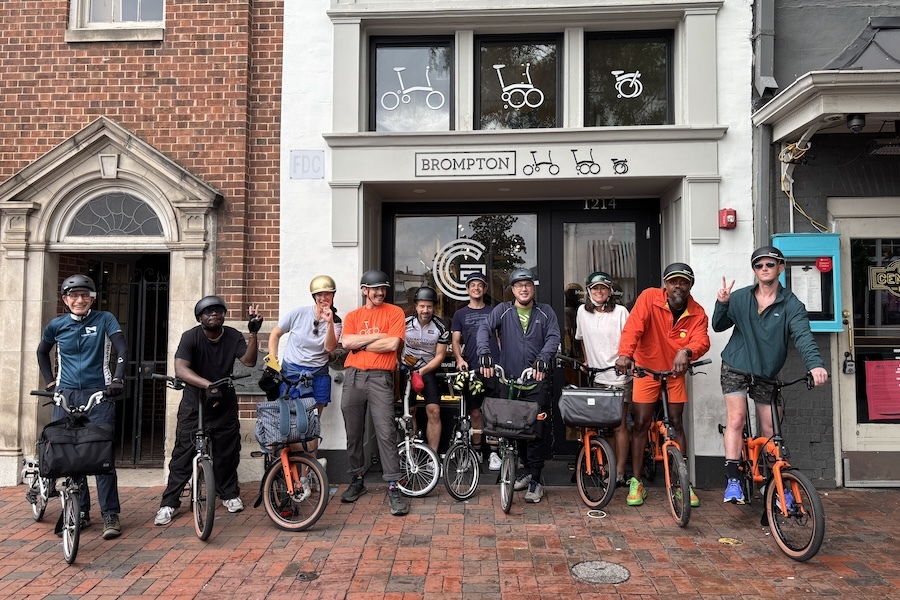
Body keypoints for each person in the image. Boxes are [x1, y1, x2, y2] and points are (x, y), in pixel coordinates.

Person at [713, 246, 829, 504]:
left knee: (771, 430)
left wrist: (816, 365)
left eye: (770, 264)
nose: (764, 269)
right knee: (736, 419)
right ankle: (733, 480)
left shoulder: (791, 304)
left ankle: (775, 484)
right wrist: (722, 303)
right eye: (759, 265)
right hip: (735, 365)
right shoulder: (741, 297)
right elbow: (718, 326)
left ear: (781, 267)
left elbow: (803, 337)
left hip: (766, 372)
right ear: (754, 270)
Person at [154, 296, 262, 526]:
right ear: (200, 317)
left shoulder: (232, 335)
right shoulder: (190, 337)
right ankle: (169, 503)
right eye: (208, 311)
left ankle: (229, 494)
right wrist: (207, 385)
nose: (213, 314)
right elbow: (181, 369)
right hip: (195, 403)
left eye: (218, 310)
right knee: (183, 454)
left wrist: (253, 333)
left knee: (227, 452)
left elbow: (250, 361)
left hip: (224, 402)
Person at [37, 274, 128, 540]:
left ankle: (110, 513)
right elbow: (42, 352)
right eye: (74, 296)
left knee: (101, 454)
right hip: (65, 395)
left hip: (99, 393)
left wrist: (118, 379)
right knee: (70, 454)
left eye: (85, 295)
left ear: (92, 298)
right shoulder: (57, 325)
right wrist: (51, 383)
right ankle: (82, 512)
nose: (80, 300)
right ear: (65, 299)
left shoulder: (105, 319)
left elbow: (122, 348)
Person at [615, 263, 710, 508]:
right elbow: (633, 328)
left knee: (677, 422)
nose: (678, 286)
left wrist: (687, 351)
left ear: (690, 286)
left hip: (674, 373)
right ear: (665, 285)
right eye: (673, 281)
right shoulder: (649, 298)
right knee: (641, 422)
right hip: (646, 369)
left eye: (683, 282)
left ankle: (682, 483)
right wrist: (626, 354)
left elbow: (702, 340)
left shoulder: (697, 312)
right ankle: (636, 482)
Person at [476, 268, 560, 504]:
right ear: (512, 289)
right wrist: (484, 353)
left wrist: (543, 358)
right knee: (514, 431)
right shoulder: (502, 311)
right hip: (510, 382)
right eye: (518, 285)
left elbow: (554, 336)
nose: (523, 289)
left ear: (533, 288)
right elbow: (484, 329)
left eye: (528, 285)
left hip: (535, 383)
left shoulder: (545, 312)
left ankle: (535, 480)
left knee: (535, 433)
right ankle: (525, 471)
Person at [339, 270, 409, 516]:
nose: (380, 292)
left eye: (383, 288)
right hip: (353, 376)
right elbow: (346, 343)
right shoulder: (353, 316)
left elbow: (392, 344)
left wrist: (363, 342)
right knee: (353, 433)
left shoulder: (395, 312)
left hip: (381, 377)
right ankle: (357, 479)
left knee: (386, 431)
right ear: (364, 290)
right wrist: (378, 337)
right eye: (374, 288)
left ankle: (393, 485)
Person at [575, 271, 632, 491]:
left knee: (619, 425)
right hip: (597, 376)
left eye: (603, 288)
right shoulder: (582, 312)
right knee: (605, 427)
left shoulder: (620, 312)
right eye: (595, 288)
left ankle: (619, 472)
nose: (599, 292)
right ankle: (607, 467)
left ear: (609, 291)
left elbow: (629, 339)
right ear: (588, 291)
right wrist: (587, 359)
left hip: (619, 376)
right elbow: (581, 339)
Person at [267, 275, 342, 414]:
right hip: (291, 372)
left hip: (318, 373)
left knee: (313, 423)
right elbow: (275, 334)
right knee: (290, 420)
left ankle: (312, 437)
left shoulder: (336, 322)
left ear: (333, 296)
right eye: (320, 294)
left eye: (328, 294)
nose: (324, 298)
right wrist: (273, 355)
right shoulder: (298, 313)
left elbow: (329, 347)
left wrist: (329, 322)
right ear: (314, 296)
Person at [450, 271, 500, 469]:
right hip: (473, 368)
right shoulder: (460, 314)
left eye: (480, 285)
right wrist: (459, 358)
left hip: (493, 368)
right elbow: (455, 341)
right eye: (473, 285)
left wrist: (502, 361)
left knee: (494, 411)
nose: (476, 288)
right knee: (476, 412)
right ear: (467, 289)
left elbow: (499, 339)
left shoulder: (494, 312)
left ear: (485, 289)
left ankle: (495, 452)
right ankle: (477, 451)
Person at [402, 286, 450, 453]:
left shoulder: (441, 327)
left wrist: (421, 372)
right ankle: (411, 453)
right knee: (410, 411)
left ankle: (433, 456)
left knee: (434, 411)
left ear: (434, 308)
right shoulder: (404, 323)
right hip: (406, 368)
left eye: (429, 306)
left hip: (428, 369)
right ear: (415, 306)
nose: (425, 310)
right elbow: (396, 347)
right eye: (422, 306)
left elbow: (440, 357)